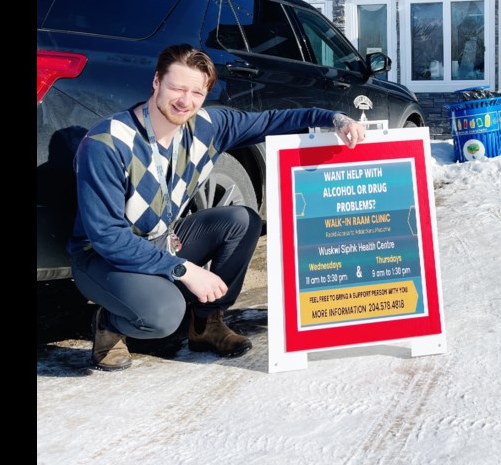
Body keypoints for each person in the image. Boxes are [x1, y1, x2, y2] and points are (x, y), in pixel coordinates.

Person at [68, 44, 367, 371]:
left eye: (197, 92)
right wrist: (182, 268)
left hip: (162, 238)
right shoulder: (108, 142)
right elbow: (108, 238)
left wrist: (334, 119)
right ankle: (110, 322)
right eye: (177, 88)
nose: (186, 100)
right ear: (156, 82)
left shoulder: (208, 125)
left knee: (242, 220)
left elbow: (271, 121)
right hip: (102, 257)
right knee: (163, 316)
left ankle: (206, 323)